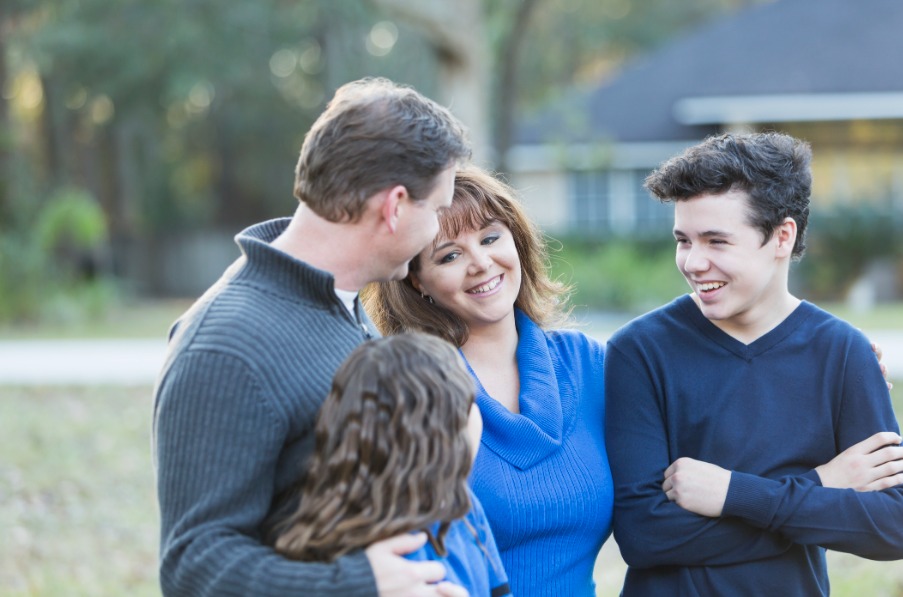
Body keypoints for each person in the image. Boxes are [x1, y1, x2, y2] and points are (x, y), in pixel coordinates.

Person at [152, 77, 471, 597]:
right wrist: (359, 584)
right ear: (393, 207)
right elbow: (193, 564)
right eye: (438, 210)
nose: (437, 230)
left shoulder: (344, 303)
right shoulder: (225, 346)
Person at [604, 131, 903, 595]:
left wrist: (734, 495)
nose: (693, 261)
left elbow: (892, 527)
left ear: (782, 236)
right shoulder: (640, 350)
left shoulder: (842, 353)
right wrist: (821, 486)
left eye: (716, 241)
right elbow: (645, 536)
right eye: (683, 240)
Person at [363, 166, 614, 596]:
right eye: (449, 255)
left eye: (490, 237)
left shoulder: (587, 364)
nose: (481, 263)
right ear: (417, 279)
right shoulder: (405, 392)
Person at [273, 332, 511, 597]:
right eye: (469, 403)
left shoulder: (466, 509)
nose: (476, 414)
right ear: (440, 435)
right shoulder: (374, 560)